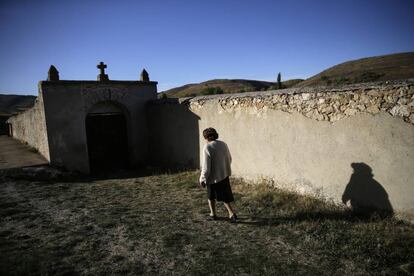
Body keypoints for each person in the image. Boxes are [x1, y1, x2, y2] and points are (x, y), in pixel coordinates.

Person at [199, 127, 237, 222]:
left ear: (206, 137)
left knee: (211, 196)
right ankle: (230, 213)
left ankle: (214, 214)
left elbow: (206, 167)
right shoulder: (223, 144)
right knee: (224, 196)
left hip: (213, 177)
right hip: (224, 175)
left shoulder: (207, 147)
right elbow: (229, 158)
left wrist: (202, 179)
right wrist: (224, 168)